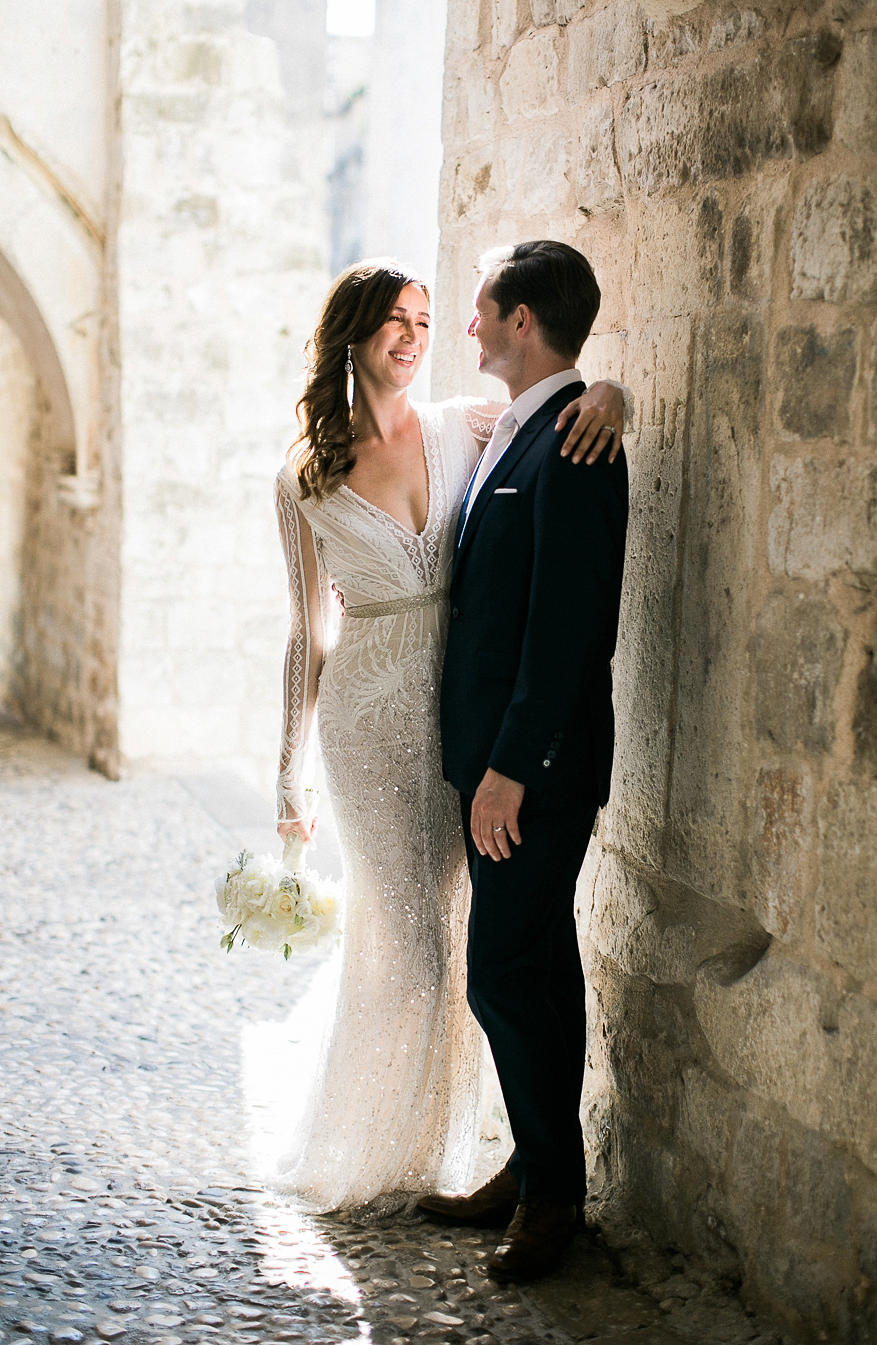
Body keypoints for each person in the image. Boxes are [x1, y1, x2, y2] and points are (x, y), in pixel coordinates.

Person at [272, 257, 628, 1210]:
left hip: (471, 728)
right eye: (397, 318)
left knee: (484, 942)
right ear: (349, 331)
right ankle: (388, 1141)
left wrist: (617, 394)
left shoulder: (460, 430)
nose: (420, 335)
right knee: (406, 935)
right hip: (373, 715)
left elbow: (563, 410)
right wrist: (286, 778)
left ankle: (502, 1162)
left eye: (429, 318)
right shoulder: (305, 476)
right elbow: (308, 632)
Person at [419, 241, 629, 1282]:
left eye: (480, 310)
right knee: (536, 963)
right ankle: (538, 1163)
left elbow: (569, 630)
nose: (467, 327)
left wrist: (512, 766)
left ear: (524, 321)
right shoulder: (523, 425)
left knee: (502, 971)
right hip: (494, 759)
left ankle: (553, 1200)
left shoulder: (579, 442)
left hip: (534, 770)